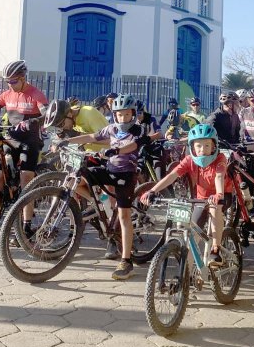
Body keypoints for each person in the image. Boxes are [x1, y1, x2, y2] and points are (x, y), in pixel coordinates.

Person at [64, 94, 161, 279]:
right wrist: (67, 141)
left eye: (126, 114)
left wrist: (115, 150)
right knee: (75, 178)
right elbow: (93, 136)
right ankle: (95, 201)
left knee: (124, 215)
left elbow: (132, 146)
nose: (122, 118)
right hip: (110, 170)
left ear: (133, 114)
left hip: (126, 175)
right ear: (114, 115)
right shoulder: (111, 129)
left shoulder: (138, 130)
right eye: (119, 115)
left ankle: (126, 260)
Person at [0, 60, 50, 243]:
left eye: (13, 81)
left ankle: (26, 228)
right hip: (10, 138)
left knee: (25, 180)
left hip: (30, 140)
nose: (10, 85)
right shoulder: (7, 94)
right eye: (7, 81)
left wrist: (33, 121)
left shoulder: (36, 94)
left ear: (22, 78)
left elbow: (47, 115)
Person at [141, 123, 233, 266]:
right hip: (201, 199)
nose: (202, 150)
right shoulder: (189, 160)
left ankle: (216, 250)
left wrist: (219, 194)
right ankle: (187, 273)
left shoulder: (220, 158)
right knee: (192, 234)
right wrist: (153, 190)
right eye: (198, 146)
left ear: (214, 146)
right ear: (192, 147)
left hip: (221, 196)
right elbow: (172, 176)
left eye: (207, 146)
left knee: (215, 210)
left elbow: (219, 177)